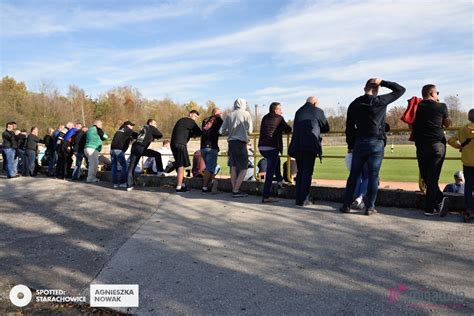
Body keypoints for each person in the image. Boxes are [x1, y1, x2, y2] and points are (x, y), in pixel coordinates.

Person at [340, 78, 405, 215]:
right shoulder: (380, 101)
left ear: (364, 88)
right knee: (373, 176)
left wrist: (350, 145)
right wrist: (383, 82)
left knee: (354, 175)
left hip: (359, 143)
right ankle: (370, 207)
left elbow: (349, 128)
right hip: (376, 142)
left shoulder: (355, 104)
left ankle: (346, 205)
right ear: (377, 89)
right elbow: (401, 90)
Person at [412, 84, 451, 216]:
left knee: (426, 177)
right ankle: (438, 201)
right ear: (432, 93)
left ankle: (433, 205)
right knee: (431, 178)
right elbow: (447, 123)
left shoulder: (416, 106)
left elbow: (410, 122)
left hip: (421, 146)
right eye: (437, 93)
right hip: (437, 145)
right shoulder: (441, 106)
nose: (438, 95)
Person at [288, 96, 330, 206]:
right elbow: (326, 127)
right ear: (315, 103)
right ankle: (305, 199)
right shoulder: (318, 111)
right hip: (310, 145)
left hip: (297, 145)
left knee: (300, 172)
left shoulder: (298, 111)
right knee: (307, 172)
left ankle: (298, 199)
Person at [258, 102, 292, 203]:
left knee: (277, 160)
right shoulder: (279, 118)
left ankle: (280, 181)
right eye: (280, 109)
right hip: (271, 147)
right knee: (270, 171)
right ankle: (266, 196)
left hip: (261, 147)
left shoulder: (265, 117)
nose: (282, 111)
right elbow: (288, 129)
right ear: (276, 110)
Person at [219, 98, 253, 197]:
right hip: (241, 143)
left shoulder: (229, 115)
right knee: (244, 167)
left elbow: (221, 131)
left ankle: (234, 189)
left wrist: (230, 132)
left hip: (231, 143)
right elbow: (250, 130)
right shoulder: (246, 114)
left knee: (233, 167)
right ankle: (236, 190)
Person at [448, 109, 474, 221]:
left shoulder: (463, 130)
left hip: (467, 162)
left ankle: (470, 209)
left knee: (468, 186)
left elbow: (450, 140)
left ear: (468, 118)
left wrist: (460, 146)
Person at [127, 119, 163, 191]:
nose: (156, 125)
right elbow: (160, 135)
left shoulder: (143, 128)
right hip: (141, 148)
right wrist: (154, 136)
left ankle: (129, 185)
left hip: (134, 147)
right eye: (155, 123)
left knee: (132, 167)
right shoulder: (151, 127)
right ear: (150, 123)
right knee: (157, 154)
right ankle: (160, 171)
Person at [170, 110, 202, 193]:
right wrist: (194, 134)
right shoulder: (190, 121)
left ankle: (182, 185)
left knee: (179, 164)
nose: (195, 119)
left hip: (173, 143)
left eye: (197, 118)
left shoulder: (181, 120)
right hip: (180, 144)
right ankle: (179, 187)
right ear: (190, 114)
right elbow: (199, 132)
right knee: (181, 165)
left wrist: (192, 134)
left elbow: (184, 131)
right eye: (195, 116)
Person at [200, 108, 223, 193]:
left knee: (211, 167)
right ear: (217, 113)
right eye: (221, 113)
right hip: (212, 147)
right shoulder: (218, 120)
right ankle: (205, 188)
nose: (221, 114)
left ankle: (212, 184)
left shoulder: (205, 120)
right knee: (209, 169)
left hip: (203, 147)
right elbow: (222, 130)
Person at [110, 121, 137, 188]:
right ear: (127, 125)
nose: (132, 127)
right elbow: (136, 135)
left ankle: (115, 183)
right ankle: (122, 182)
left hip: (112, 149)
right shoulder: (127, 130)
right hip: (118, 150)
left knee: (114, 166)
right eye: (131, 125)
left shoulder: (119, 130)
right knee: (124, 166)